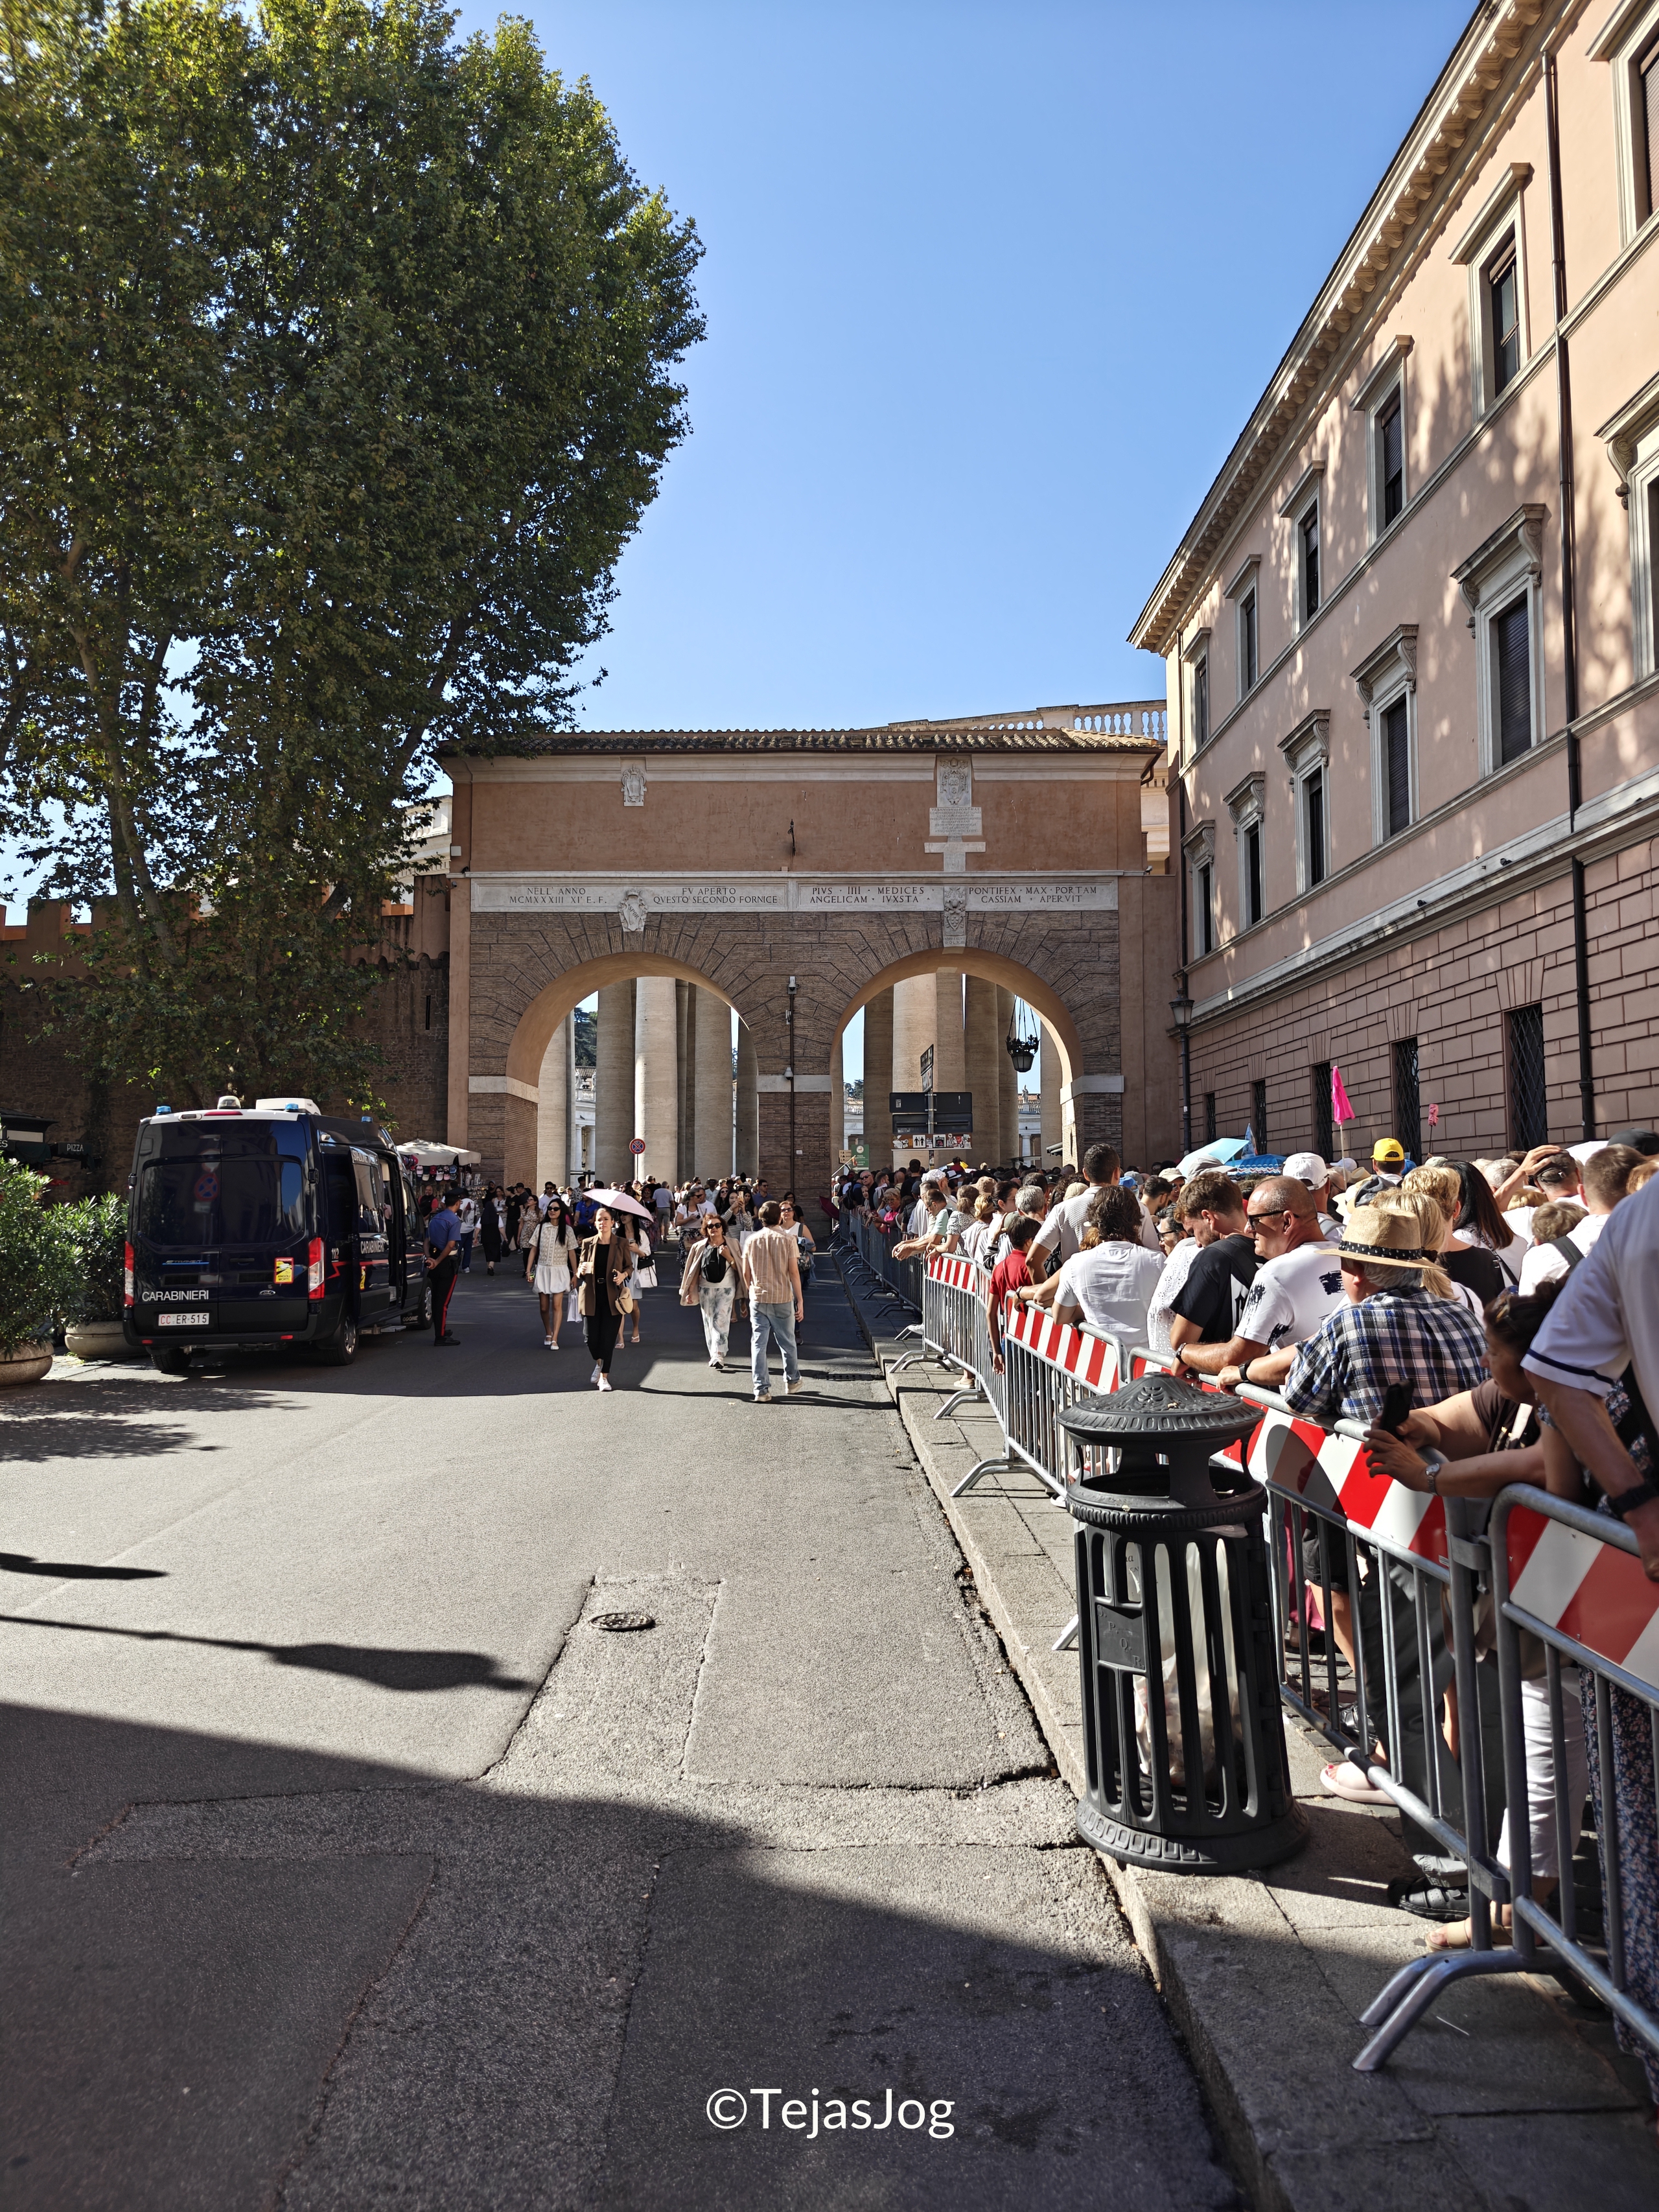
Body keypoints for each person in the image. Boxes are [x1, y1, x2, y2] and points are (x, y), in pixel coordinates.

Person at [1521, 1179, 1659, 2123]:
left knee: (1646, 1821)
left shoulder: (1645, 1216)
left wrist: (1639, 1502)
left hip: (1651, 1557)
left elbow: (1556, 1370)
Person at [1211, 1176, 1344, 1394]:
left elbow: (1236, 1356)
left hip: (1310, 1416)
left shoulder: (1274, 1274)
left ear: (1287, 1221)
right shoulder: (1348, 1260)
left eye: (1254, 1220)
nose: (1247, 1229)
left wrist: (1184, 1352)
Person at [1043, 1187, 1166, 1341]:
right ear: (1136, 1220)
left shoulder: (1075, 1264)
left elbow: (1060, 1316)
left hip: (1099, 1357)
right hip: (1147, 1361)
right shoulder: (1158, 1261)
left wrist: (1091, 1310)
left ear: (1095, 1221)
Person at [1168, 1171, 1259, 1374]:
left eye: (1193, 1232)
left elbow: (1181, 1341)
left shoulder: (1212, 1258)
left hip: (1223, 1387)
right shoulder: (1272, 1249)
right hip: (1269, 1385)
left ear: (1208, 1217)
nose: (1198, 1243)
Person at [1518, 1143, 1639, 1292]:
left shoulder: (1539, 1259)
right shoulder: (1646, 1239)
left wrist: (1520, 1173)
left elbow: (1527, 1311)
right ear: (1578, 1175)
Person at [741, 1199, 803, 1403]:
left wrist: (750, 1291)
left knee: (758, 1343)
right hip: (782, 1296)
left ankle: (761, 1389)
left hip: (759, 1296)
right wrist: (800, 1300)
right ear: (779, 1217)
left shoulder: (751, 1240)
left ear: (761, 1218)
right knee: (787, 1342)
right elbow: (794, 1273)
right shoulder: (788, 1240)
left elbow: (745, 1273)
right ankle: (792, 1381)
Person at [575, 1205, 634, 1391]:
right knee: (590, 1339)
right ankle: (599, 1362)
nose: (603, 1223)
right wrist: (580, 1271)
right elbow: (579, 1271)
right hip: (591, 1295)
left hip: (613, 1296)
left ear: (612, 1222)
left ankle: (604, 1377)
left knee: (608, 1338)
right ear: (595, 1222)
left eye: (606, 1219)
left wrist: (623, 1276)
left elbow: (629, 1267)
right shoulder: (587, 1243)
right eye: (599, 1219)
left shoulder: (621, 1243)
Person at [679, 1211, 745, 1370]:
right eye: (710, 1226)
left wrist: (729, 1257)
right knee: (709, 1322)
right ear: (706, 1230)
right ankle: (714, 1354)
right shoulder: (699, 1246)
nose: (714, 1228)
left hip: (726, 1289)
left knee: (720, 1321)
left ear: (723, 1228)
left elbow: (741, 1269)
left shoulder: (733, 1244)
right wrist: (690, 1290)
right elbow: (694, 1271)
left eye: (717, 1225)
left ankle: (718, 1354)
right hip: (706, 1289)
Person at [987, 1215, 1039, 1373]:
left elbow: (991, 1312)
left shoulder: (1000, 1267)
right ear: (1029, 1242)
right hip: (1033, 1340)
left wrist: (996, 1351)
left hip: (1008, 1338)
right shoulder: (1032, 1266)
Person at [525, 1196, 579, 1348]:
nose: (552, 1211)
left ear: (562, 1211)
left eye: (555, 1209)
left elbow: (572, 1253)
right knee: (543, 1307)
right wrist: (529, 1270)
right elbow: (533, 1249)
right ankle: (548, 1331)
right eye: (550, 1209)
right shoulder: (541, 1227)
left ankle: (555, 1337)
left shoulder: (567, 1230)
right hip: (542, 1269)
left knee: (557, 1305)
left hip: (560, 1269)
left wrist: (575, 1274)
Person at [425, 1191, 462, 1345]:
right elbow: (451, 1245)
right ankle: (440, 1336)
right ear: (458, 1203)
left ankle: (441, 1328)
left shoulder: (435, 1218)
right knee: (443, 1301)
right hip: (446, 1262)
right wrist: (439, 1261)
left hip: (433, 1260)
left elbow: (427, 1240)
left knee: (436, 1299)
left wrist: (429, 1259)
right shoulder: (454, 1220)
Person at [478, 1183, 504, 1275]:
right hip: (495, 1238)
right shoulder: (497, 1218)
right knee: (495, 1253)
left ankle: (489, 1266)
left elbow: (478, 1228)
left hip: (485, 1238)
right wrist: (506, 1237)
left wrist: (476, 1237)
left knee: (488, 1252)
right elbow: (501, 1228)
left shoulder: (482, 1218)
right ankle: (491, 1266)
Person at [453, 1187, 478, 1273]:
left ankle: (455, 1266)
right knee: (468, 1249)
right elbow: (475, 1216)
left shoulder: (463, 1202)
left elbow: (459, 1211)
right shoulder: (473, 1203)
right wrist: (472, 1225)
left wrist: (458, 1219)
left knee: (458, 1249)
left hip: (461, 1229)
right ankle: (466, 1267)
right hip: (470, 1228)